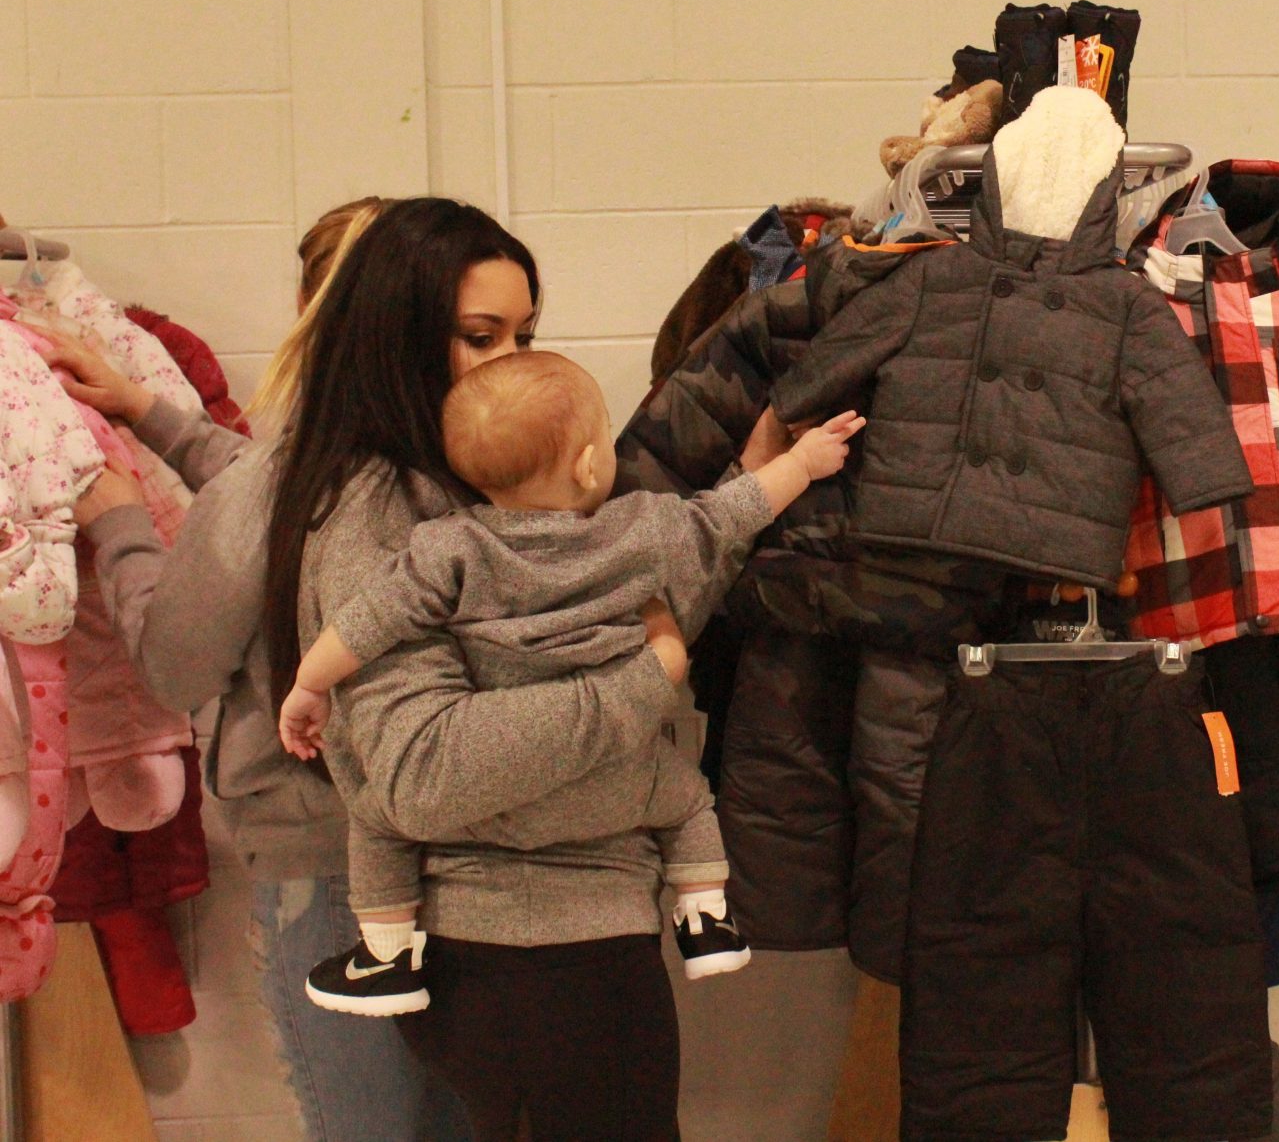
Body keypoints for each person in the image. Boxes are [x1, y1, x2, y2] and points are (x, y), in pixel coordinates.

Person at [64, 196, 484, 1140]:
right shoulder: (464, 463)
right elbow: (279, 492)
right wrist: (154, 416)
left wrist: (120, 524)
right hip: (471, 858)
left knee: (370, 1129)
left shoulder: (280, 493)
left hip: (328, 863)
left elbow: (174, 664)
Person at [275, 349, 861, 1013]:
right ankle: (705, 918)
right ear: (587, 465)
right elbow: (728, 514)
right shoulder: (638, 531)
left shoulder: (449, 548)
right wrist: (804, 462)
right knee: (690, 798)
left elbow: (369, 621)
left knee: (376, 814)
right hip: (622, 787)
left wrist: (308, 685)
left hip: (491, 813)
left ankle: (386, 954)